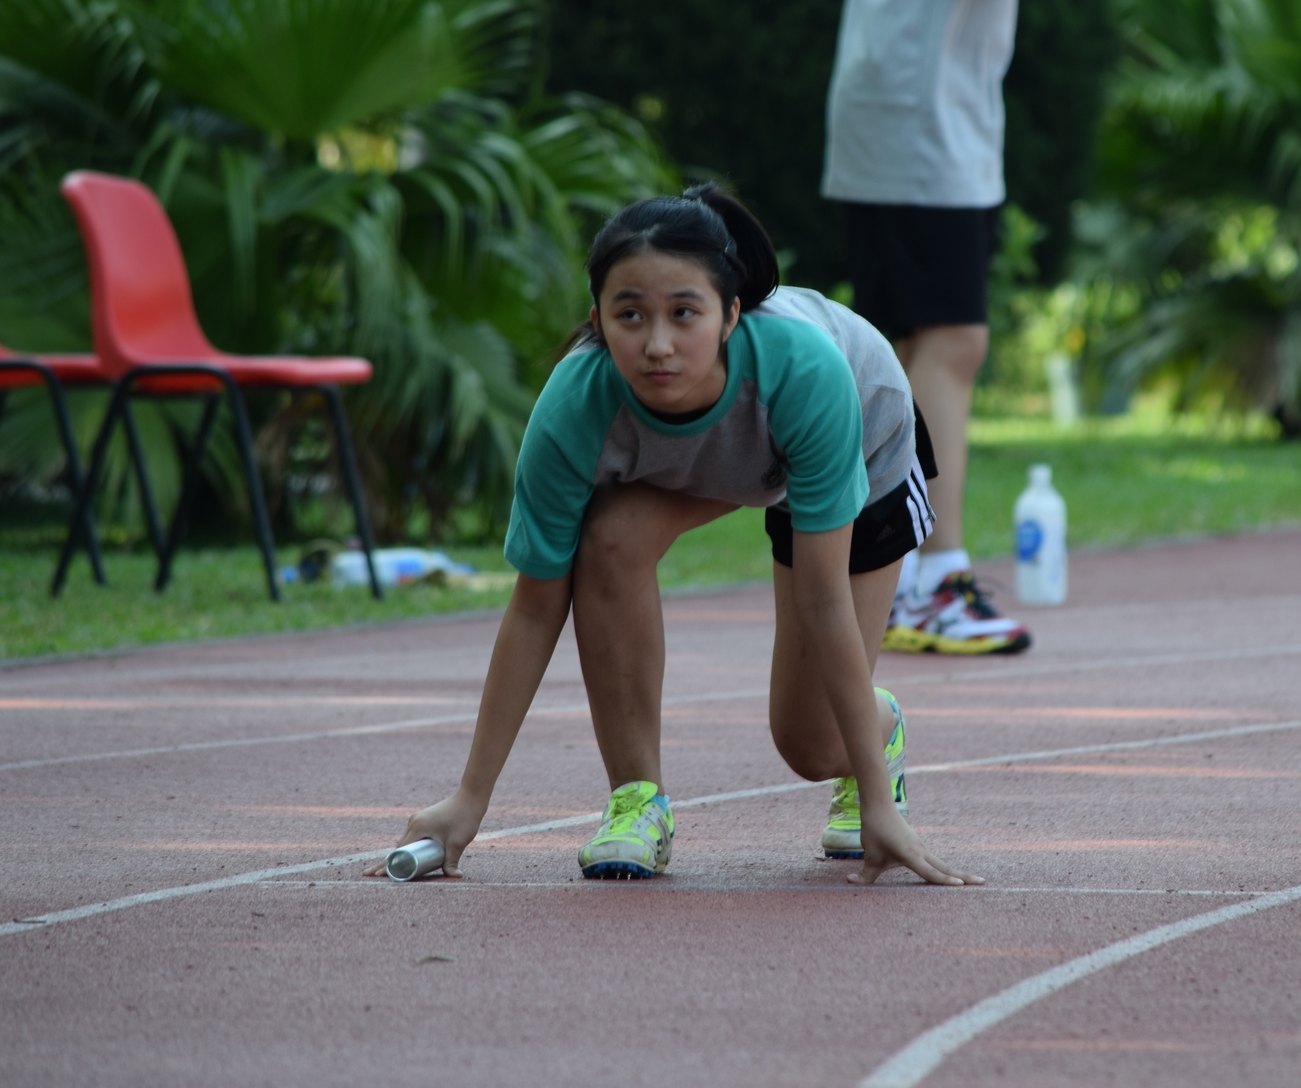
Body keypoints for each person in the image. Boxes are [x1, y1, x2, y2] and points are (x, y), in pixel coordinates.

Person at [375, 186, 982, 887]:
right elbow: (536, 607)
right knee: (609, 538)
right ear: (598, 317)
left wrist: (876, 799)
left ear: (730, 314)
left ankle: (882, 729)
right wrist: (469, 800)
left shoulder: (810, 373)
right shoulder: (574, 406)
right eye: (630, 314)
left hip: (862, 445)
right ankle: (638, 801)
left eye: (684, 313)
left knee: (812, 745)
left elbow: (823, 598)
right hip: (724, 456)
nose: (658, 345)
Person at [821, 0, 1106, 655]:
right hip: (913, 123)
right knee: (948, 341)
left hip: (942, 118)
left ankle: (896, 580)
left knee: (919, 346)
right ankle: (931, 577)